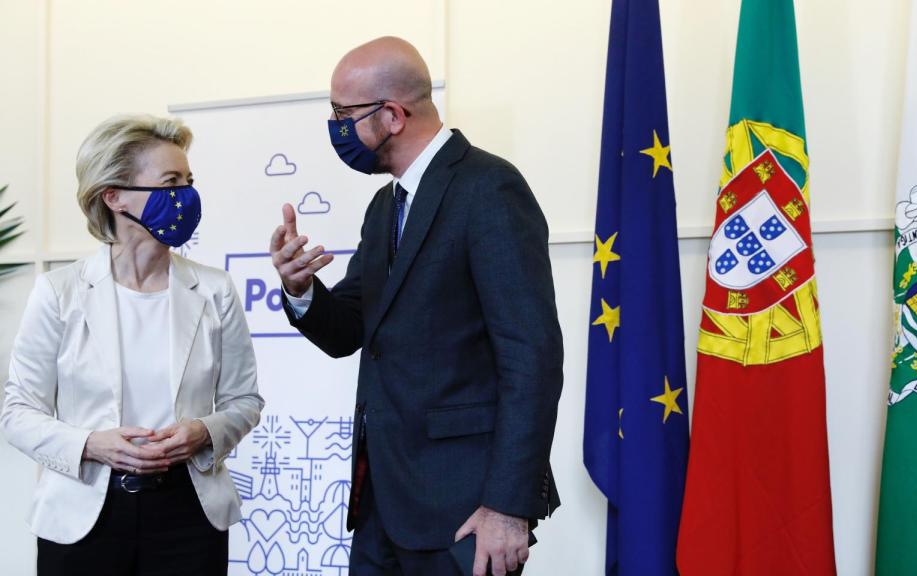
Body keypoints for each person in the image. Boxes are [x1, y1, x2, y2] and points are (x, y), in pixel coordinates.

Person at [270, 37, 563, 576]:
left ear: (392, 115)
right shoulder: (386, 204)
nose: (334, 127)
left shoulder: (489, 187)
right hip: (383, 501)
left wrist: (508, 505)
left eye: (342, 113)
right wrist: (299, 288)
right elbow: (350, 330)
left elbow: (533, 357)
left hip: (467, 511)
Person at [1, 114, 264, 576]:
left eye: (189, 180)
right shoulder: (59, 292)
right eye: (170, 182)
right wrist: (92, 444)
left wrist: (203, 432)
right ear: (113, 196)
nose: (186, 195)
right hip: (83, 514)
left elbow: (245, 401)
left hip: (189, 514)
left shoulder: (214, 289)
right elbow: (18, 411)